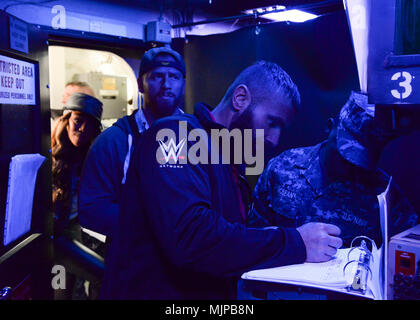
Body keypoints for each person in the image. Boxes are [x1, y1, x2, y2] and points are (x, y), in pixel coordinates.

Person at [101, 61, 343, 299]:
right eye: (272, 123)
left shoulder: (230, 157)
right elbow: (191, 237)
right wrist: (295, 243)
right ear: (240, 98)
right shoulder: (174, 135)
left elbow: (226, 235)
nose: (274, 140)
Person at [250, 91, 418, 247]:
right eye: (344, 152)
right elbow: (253, 235)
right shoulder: (283, 168)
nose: (349, 165)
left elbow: (410, 248)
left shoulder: (384, 195)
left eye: (360, 159)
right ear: (329, 128)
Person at [78, 46, 186, 242]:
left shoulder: (199, 138)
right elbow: (92, 210)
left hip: (187, 265)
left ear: (183, 84)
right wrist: (156, 223)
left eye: (174, 77)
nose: (166, 84)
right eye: (157, 76)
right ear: (139, 84)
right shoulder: (112, 142)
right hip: (134, 264)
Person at [51, 92, 103, 299]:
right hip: (56, 239)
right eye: (77, 121)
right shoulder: (50, 155)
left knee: (75, 290)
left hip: (78, 235)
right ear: (66, 121)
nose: (82, 129)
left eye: (89, 125)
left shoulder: (92, 157)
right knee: (61, 291)